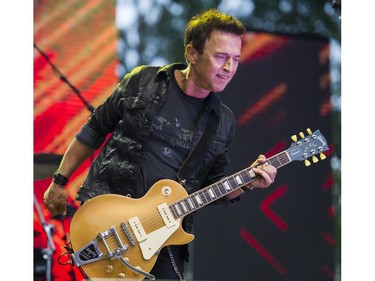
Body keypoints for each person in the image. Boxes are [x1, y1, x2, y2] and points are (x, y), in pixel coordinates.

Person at [43, 9, 277, 280]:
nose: (229, 68)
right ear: (191, 53)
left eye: (235, 59)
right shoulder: (143, 81)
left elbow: (213, 187)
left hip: (163, 238)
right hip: (108, 222)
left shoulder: (223, 122)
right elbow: (95, 128)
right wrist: (59, 181)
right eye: (220, 56)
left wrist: (247, 182)